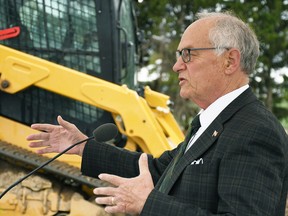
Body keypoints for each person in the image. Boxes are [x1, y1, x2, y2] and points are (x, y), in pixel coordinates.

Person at [27, 11, 288, 215]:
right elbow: (155, 170)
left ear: (230, 61)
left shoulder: (254, 131)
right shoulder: (213, 124)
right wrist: (82, 147)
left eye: (187, 54)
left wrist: (149, 204)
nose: (176, 66)